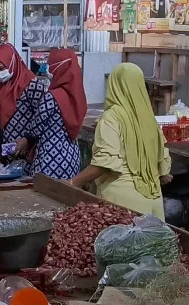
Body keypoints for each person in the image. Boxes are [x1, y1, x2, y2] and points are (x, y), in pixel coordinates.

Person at [71, 63, 172, 218]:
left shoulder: (112, 117)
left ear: (114, 86)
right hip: (154, 201)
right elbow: (162, 162)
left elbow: (104, 163)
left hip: (122, 203)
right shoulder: (149, 118)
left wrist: (73, 182)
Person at [0, 43, 80, 180]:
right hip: (8, 153)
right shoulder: (2, 88)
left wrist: (27, 140)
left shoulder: (33, 86)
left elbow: (41, 121)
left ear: (13, 63)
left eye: (1, 68)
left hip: (27, 155)